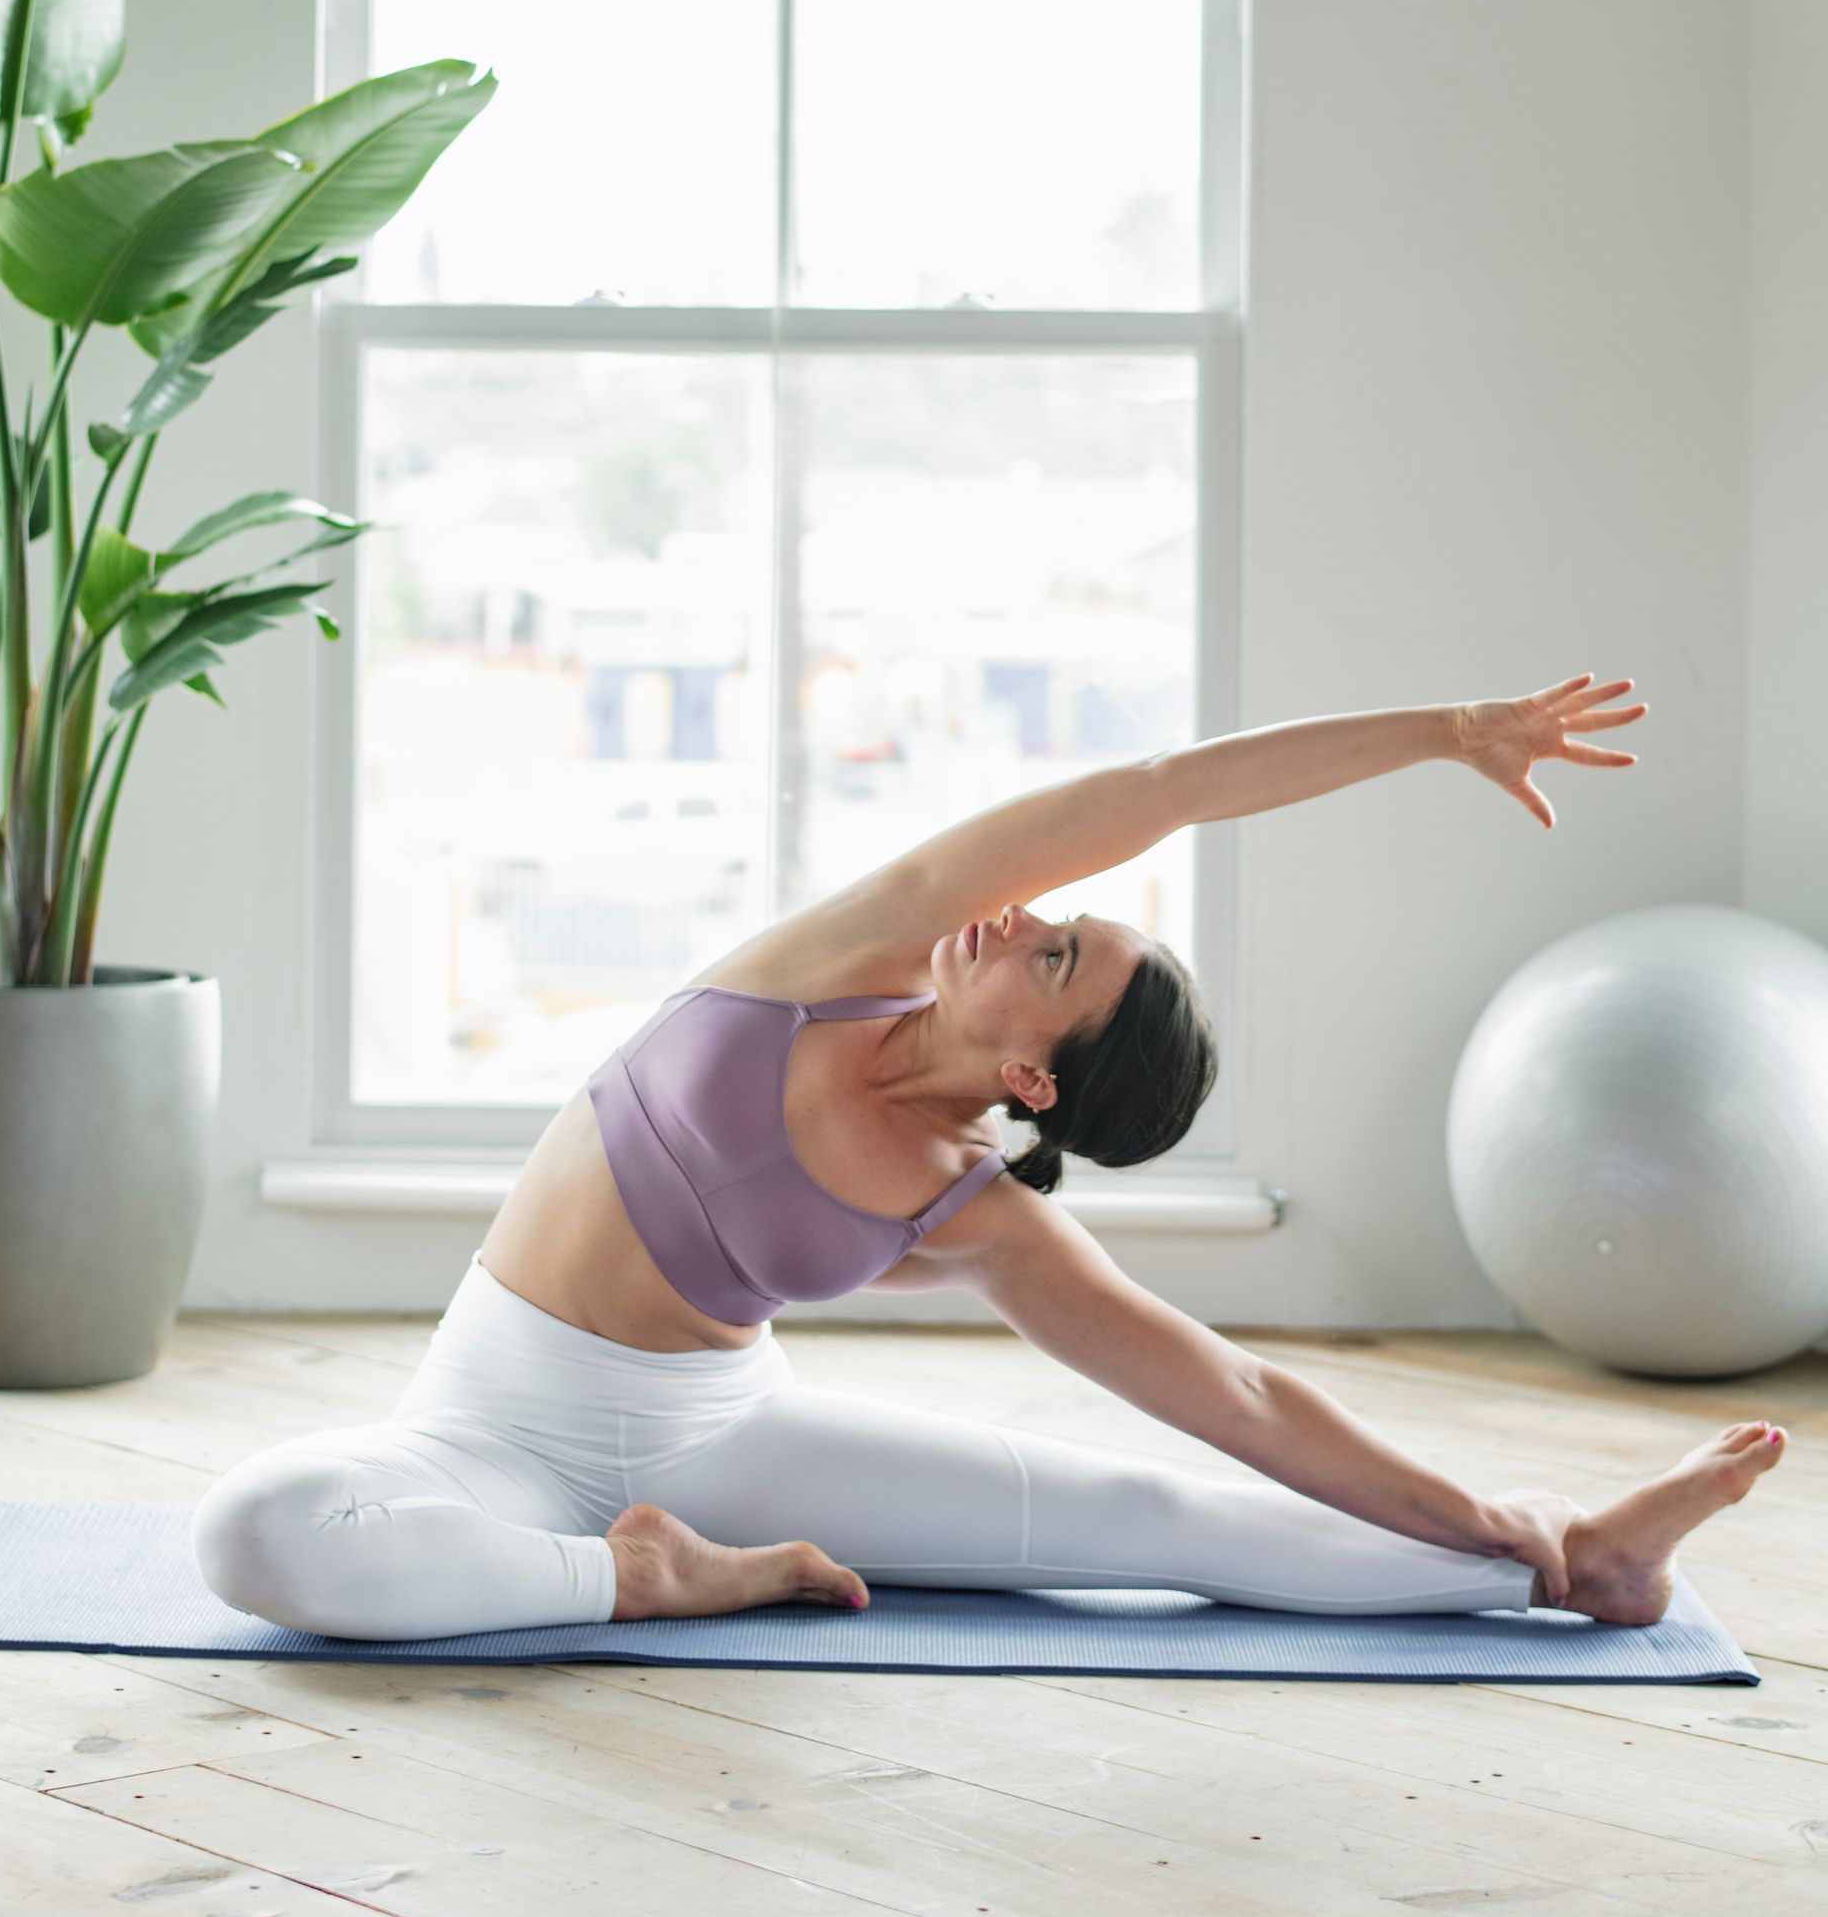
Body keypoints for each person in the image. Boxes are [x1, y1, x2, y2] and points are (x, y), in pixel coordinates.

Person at [192, 672, 1785, 1642]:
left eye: (1055, 954)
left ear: (1031, 1075)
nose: (1020, 917)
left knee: (1161, 1523)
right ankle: (646, 1584)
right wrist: (1442, 731)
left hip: (720, 1449)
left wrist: (1492, 1522)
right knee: (257, 1532)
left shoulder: (974, 1214)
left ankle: (1574, 1568)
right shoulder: (851, 952)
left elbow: (1238, 1401)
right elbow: (1159, 793)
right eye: (1056, 920)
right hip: (488, 1423)